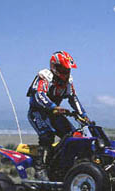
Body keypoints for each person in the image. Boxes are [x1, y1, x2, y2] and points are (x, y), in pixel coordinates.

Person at [27, 51, 90, 181]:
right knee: (47, 135)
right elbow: (39, 95)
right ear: (55, 67)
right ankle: (40, 169)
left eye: (67, 69)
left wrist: (83, 115)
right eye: (63, 68)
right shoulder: (45, 76)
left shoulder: (68, 82)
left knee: (73, 135)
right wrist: (53, 107)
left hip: (55, 114)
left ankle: (62, 165)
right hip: (38, 112)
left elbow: (73, 99)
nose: (66, 72)